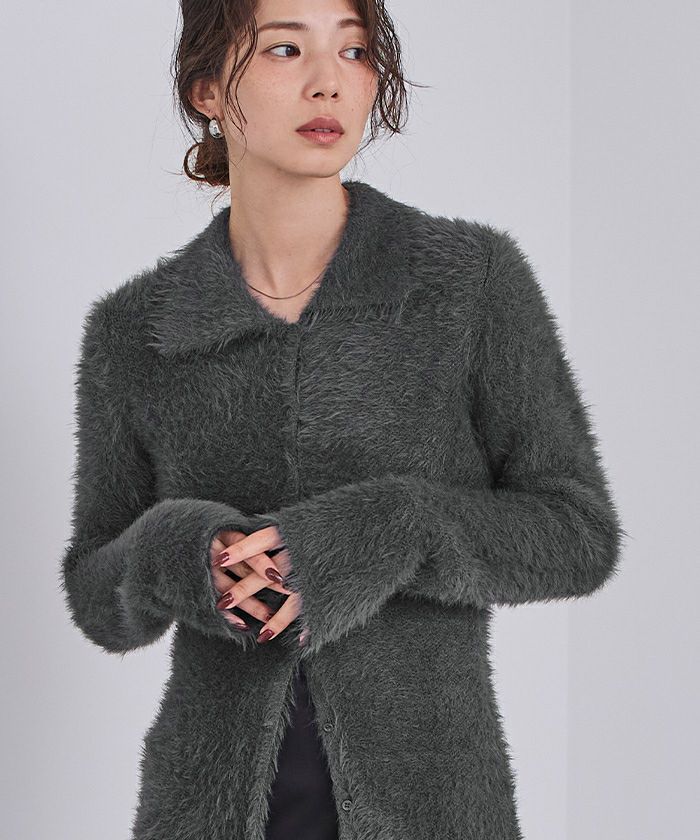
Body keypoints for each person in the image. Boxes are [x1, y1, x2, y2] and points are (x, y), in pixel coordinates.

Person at [61, 1, 625, 839]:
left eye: (355, 51)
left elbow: (578, 533)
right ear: (208, 88)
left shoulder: (466, 281)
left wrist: (389, 528)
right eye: (286, 49)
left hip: (430, 802)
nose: (330, 81)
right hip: (207, 807)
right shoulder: (136, 329)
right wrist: (182, 551)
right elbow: (96, 594)